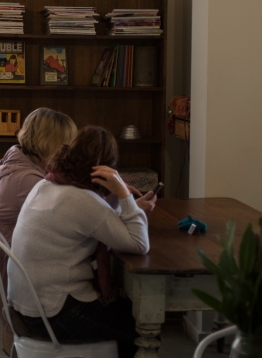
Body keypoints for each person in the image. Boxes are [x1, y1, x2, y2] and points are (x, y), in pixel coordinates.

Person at [8, 125, 154, 358]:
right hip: (53, 314)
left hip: (25, 306)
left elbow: (97, 219)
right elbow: (139, 244)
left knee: (124, 310)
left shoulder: (47, 184)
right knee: (136, 320)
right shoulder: (81, 200)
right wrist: (127, 198)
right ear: (106, 167)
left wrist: (120, 200)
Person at [0, 107, 77, 350]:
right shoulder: (29, 181)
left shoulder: (16, 157)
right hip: (9, 269)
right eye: (67, 143)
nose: (70, 150)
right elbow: (68, 220)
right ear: (51, 143)